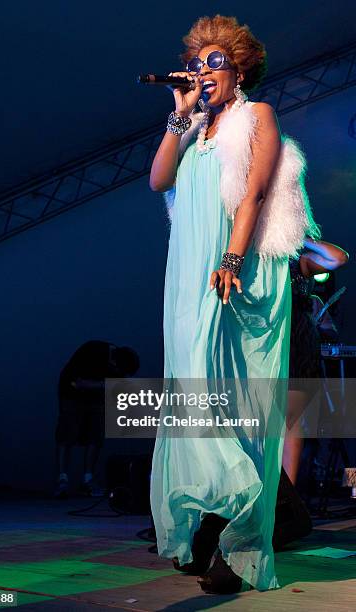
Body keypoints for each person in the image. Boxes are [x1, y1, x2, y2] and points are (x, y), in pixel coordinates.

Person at [149, 15, 320, 594]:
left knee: (232, 398)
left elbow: (254, 192)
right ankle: (212, 527)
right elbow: (157, 179)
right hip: (189, 275)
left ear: (240, 68)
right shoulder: (194, 128)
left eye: (215, 62)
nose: (204, 71)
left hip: (238, 273)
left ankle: (242, 532)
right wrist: (179, 112)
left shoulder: (258, 116)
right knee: (195, 393)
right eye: (199, 63)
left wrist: (229, 260)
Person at [283, 238, 349, 485]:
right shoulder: (253, 260)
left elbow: (338, 257)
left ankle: (288, 496)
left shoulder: (298, 263)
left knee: (293, 423)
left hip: (297, 346)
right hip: (263, 340)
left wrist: (300, 236)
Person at [55, 340, 140, 498]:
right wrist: (104, 385)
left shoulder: (119, 368)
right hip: (70, 393)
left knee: (96, 433)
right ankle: (62, 479)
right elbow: (77, 383)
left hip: (96, 398)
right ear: (114, 362)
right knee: (67, 433)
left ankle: (88, 479)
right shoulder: (91, 351)